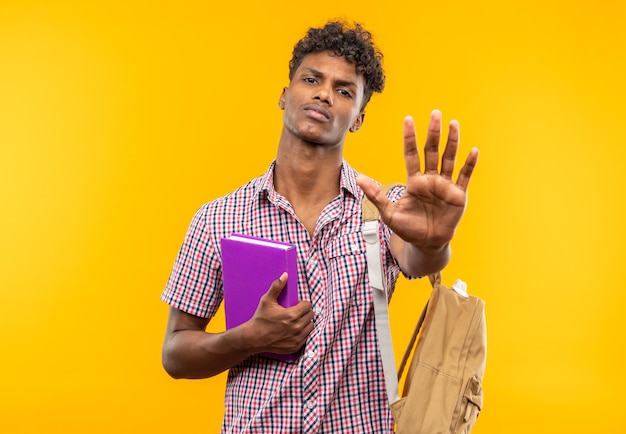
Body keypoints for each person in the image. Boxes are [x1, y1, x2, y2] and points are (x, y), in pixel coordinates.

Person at [161, 20, 478, 433]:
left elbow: (418, 258)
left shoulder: (383, 209)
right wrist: (246, 338)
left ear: (359, 118)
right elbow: (176, 352)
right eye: (311, 79)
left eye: (344, 90)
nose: (324, 94)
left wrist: (436, 242)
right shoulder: (217, 219)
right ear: (284, 94)